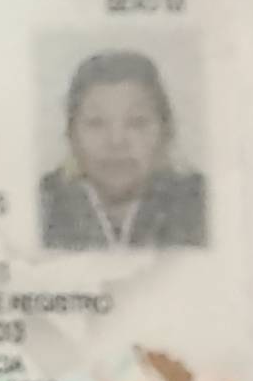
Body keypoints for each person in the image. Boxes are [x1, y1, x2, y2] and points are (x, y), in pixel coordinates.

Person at [39, 50, 207, 250]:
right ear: (71, 135)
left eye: (137, 122)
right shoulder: (40, 207)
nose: (116, 141)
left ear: (166, 133)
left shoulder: (206, 205)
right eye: (96, 123)